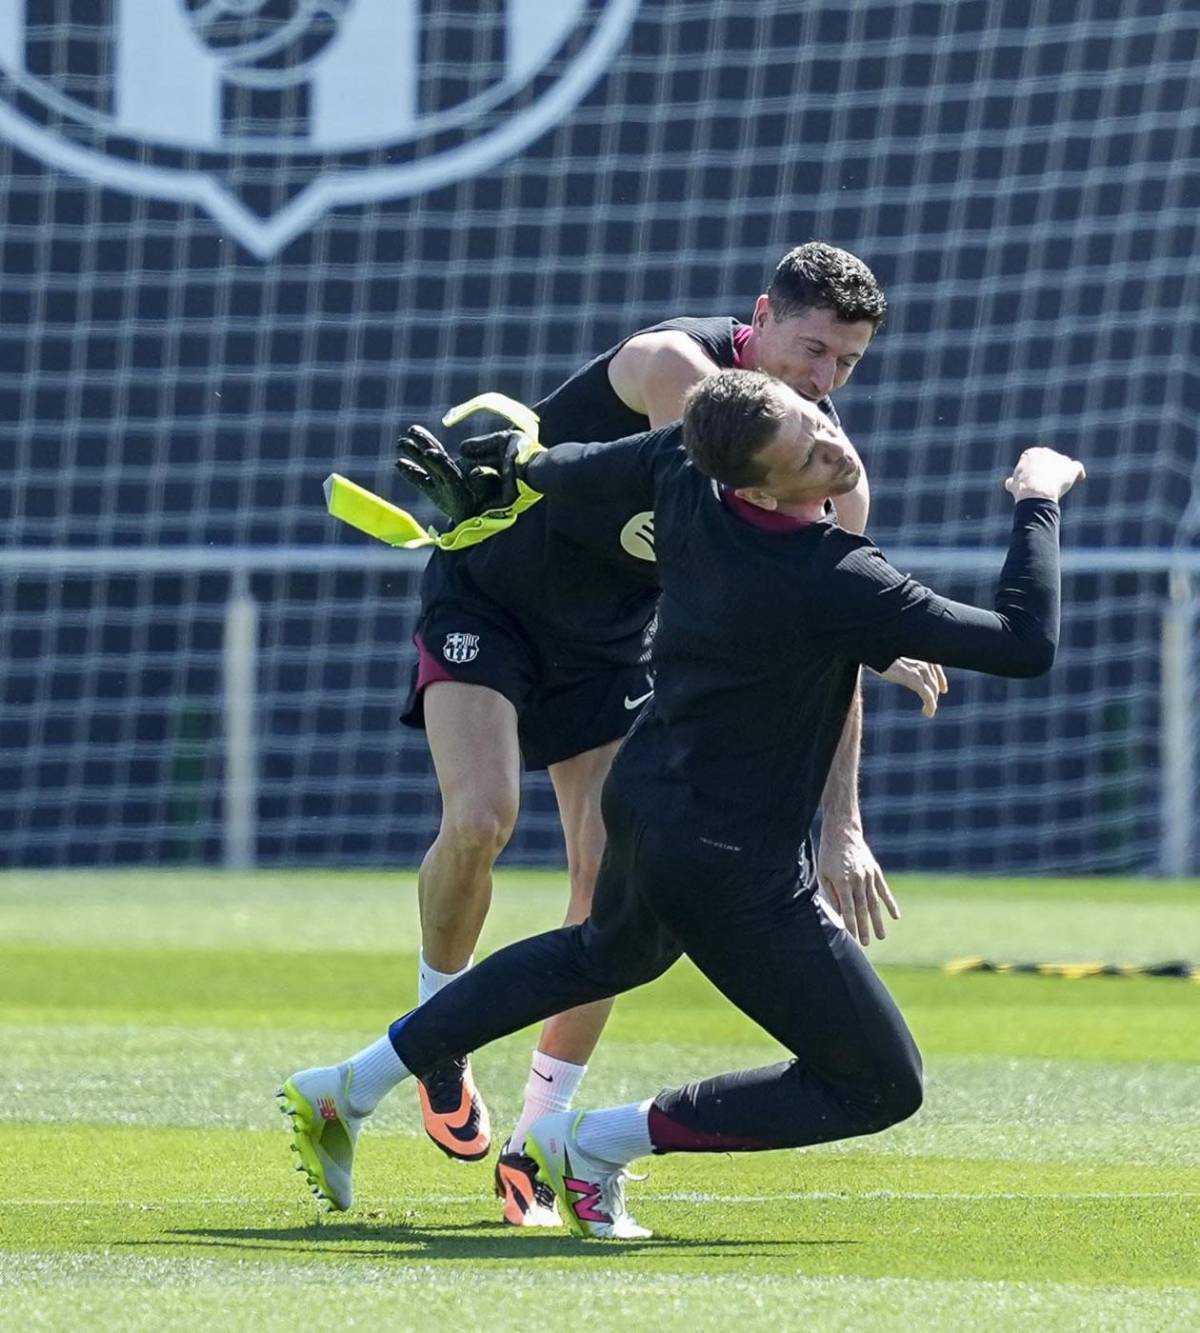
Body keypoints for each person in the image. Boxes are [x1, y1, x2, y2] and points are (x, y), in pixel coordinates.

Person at [280, 369, 1083, 1237]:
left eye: (817, 421)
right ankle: (591, 1145)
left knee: (596, 955)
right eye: (806, 455)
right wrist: (1037, 498)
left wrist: (515, 461)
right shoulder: (835, 575)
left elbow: (572, 466)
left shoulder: (680, 468)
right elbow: (1023, 643)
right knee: (883, 1083)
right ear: (758, 486)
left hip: (653, 806)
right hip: (731, 869)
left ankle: (345, 1087)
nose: (832, 447)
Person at [393, 243, 945, 1226]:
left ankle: (535, 1144)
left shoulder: (826, 470)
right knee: (481, 817)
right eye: (811, 348)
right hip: (494, 600)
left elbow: (831, 634)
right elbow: (720, 535)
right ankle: (441, 1032)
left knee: (611, 896)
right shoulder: (677, 374)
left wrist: (843, 825)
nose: (822, 380)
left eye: (846, 365)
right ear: (760, 317)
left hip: (609, 648)